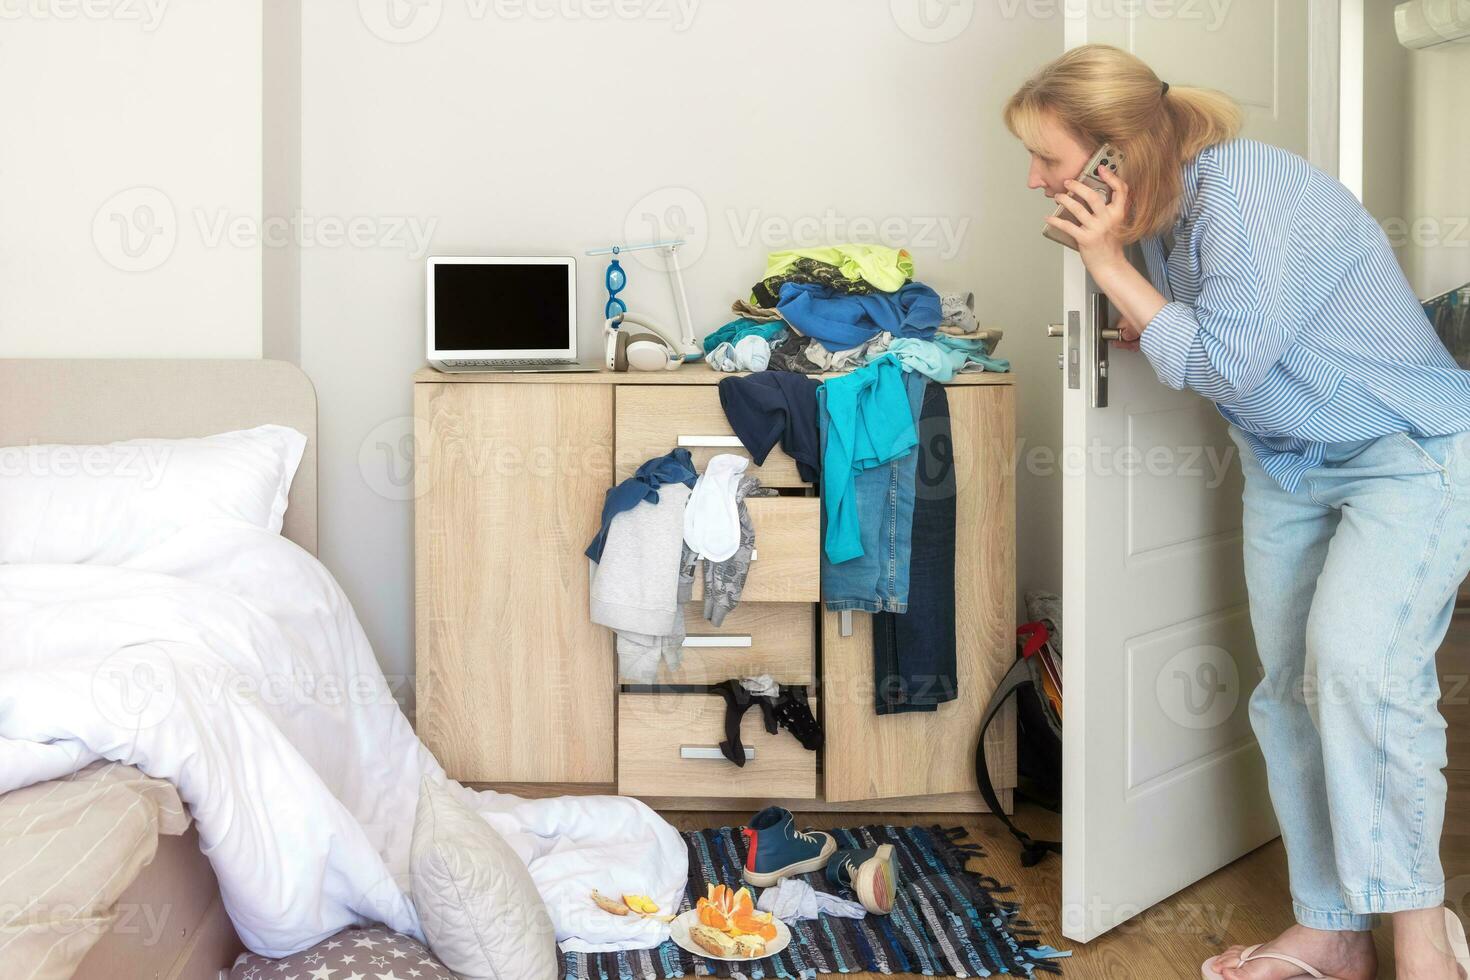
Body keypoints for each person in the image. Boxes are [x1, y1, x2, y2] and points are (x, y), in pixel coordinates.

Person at [1005, 44, 1470, 980]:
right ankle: (1335, 931)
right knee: (1292, 687)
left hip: (1408, 451)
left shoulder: (1244, 190)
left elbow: (1222, 364)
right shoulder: (1163, 216)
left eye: (1049, 159)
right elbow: (1217, 335)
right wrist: (1145, 302)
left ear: (1116, 153)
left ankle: (1425, 938)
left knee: (1359, 667)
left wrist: (1107, 264)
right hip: (1290, 464)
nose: (1035, 179)